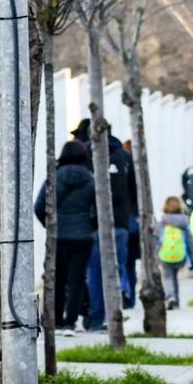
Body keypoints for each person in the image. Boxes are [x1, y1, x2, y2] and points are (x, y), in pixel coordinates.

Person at [73, 119, 137, 329]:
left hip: (94, 223)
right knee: (116, 270)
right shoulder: (124, 156)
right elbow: (134, 192)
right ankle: (115, 315)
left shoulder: (87, 155)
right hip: (120, 223)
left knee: (95, 272)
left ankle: (97, 317)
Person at [34, 140, 96, 335]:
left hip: (58, 236)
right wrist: (91, 226)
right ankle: (71, 321)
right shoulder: (91, 178)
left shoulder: (54, 177)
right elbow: (98, 208)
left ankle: (56, 320)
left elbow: (39, 205)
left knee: (57, 279)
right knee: (77, 279)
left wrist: (50, 226)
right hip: (83, 236)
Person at [158, 195, 190, 309]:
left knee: (167, 277)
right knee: (175, 277)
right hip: (180, 255)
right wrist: (192, 258)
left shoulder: (163, 221)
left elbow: (157, 238)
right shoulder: (184, 223)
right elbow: (190, 241)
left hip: (165, 255)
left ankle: (170, 296)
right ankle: (176, 301)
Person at [124, 139, 142, 309]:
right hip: (132, 222)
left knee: (124, 262)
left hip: (124, 222)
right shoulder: (135, 169)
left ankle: (126, 293)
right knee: (129, 263)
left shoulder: (123, 164)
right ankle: (130, 297)